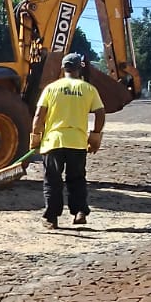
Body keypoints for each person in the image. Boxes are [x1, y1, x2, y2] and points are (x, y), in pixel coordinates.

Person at [30, 52, 106, 229]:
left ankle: (51, 218)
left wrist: (35, 136)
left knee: (52, 180)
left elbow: (39, 114)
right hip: (77, 142)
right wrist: (95, 136)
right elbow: (100, 113)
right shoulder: (88, 89)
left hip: (53, 142)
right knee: (77, 178)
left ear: (63, 68)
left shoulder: (51, 88)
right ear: (80, 68)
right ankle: (79, 211)